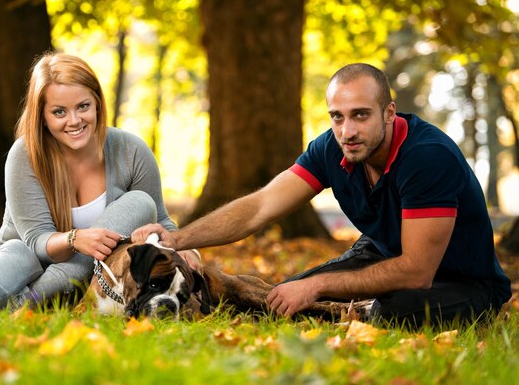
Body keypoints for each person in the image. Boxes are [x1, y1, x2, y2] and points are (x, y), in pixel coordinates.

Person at [133, 63, 512, 326]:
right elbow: (260, 207)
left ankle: (363, 311)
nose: (347, 130)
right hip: (380, 255)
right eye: (337, 116)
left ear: (389, 112)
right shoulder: (332, 148)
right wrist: (177, 237)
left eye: (360, 115)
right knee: (284, 301)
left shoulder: (428, 157)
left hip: (462, 282)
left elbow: (416, 270)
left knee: (389, 313)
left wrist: (318, 285)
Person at [0, 53, 195, 319]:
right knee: (20, 252)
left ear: (98, 103)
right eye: (59, 112)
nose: (74, 121)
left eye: (83, 107)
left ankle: (21, 305)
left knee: (140, 204)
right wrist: (77, 238)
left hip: (91, 276)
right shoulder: (24, 155)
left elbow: (160, 222)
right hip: (22, 265)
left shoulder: (130, 151)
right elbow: (36, 242)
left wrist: (189, 251)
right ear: (42, 116)